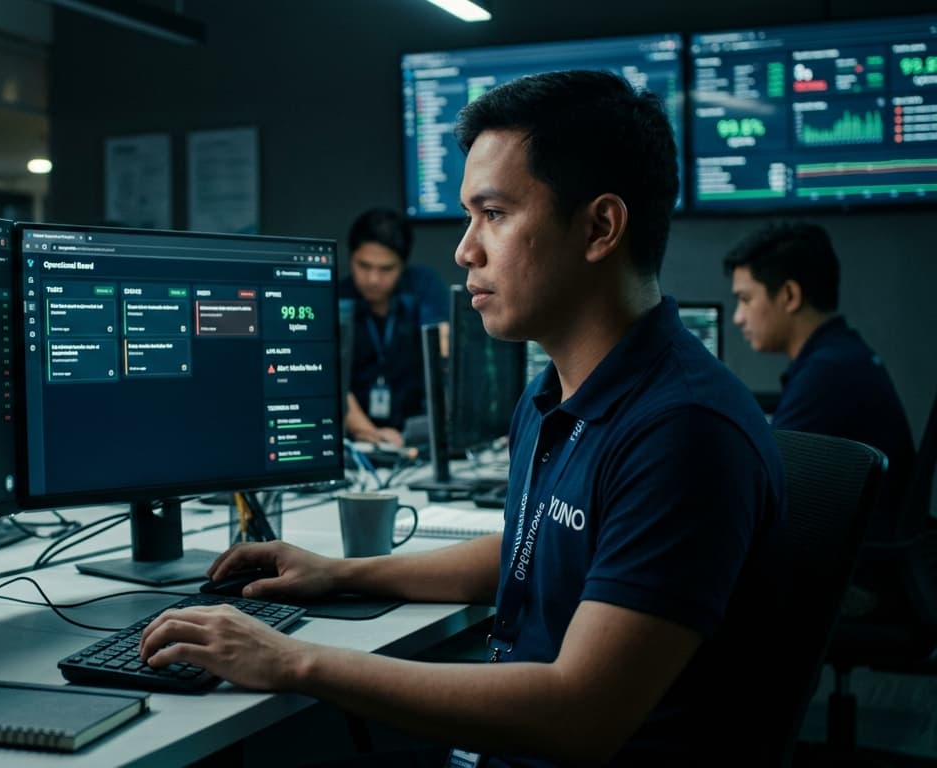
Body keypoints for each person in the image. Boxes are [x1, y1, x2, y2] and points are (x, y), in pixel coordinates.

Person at [140, 70, 788, 766]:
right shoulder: (557, 394)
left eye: (495, 214)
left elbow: (579, 714)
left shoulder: (681, 431)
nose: (464, 250)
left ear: (600, 227)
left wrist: (295, 661)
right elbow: (533, 547)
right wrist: (340, 571)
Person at [724, 222, 914, 542]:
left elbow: (769, 494)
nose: (738, 317)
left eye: (745, 299)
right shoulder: (842, 356)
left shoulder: (827, 375)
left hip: (859, 582)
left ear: (789, 295)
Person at [340, 206, 450, 447]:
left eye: (386, 269)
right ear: (351, 259)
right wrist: (370, 435)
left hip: (413, 433)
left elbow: (441, 349)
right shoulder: (339, 301)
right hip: (357, 438)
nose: (373, 279)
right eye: (364, 266)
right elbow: (334, 381)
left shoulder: (422, 287)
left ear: (402, 266)